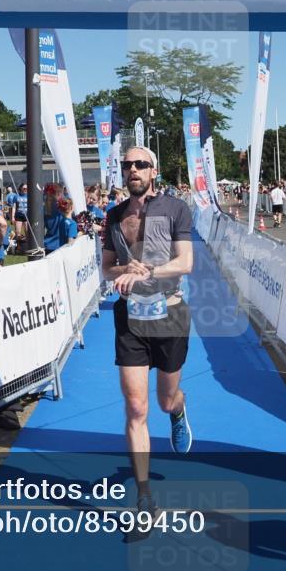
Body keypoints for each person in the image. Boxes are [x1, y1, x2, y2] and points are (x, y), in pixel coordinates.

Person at [101, 146, 194, 514]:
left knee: (163, 400)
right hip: (130, 321)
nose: (133, 170)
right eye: (127, 165)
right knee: (136, 407)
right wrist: (122, 273)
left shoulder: (175, 208)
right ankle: (144, 497)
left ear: (154, 171)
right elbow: (107, 267)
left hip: (169, 315)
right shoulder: (114, 216)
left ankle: (178, 410)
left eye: (140, 164)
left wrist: (150, 272)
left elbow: (186, 262)